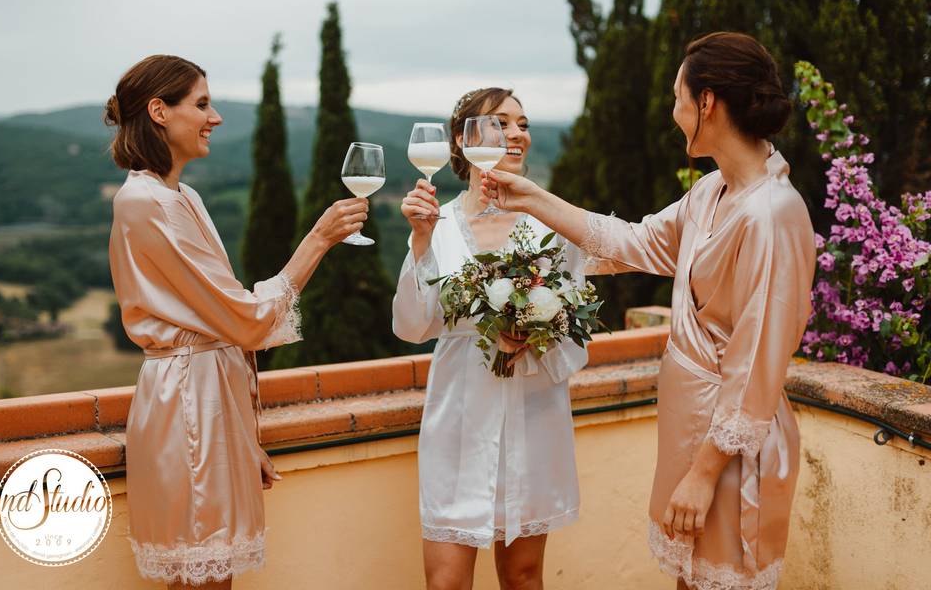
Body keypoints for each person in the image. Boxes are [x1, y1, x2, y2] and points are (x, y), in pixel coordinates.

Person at [481, 32, 816, 590]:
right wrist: (530, 198)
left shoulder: (773, 214)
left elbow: (758, 362)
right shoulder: (712, 191)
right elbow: (634, 242)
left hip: (730, 447)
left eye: (677, 97)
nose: (673, 112)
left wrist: (706, 474)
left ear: (706, 103)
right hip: (689, 428)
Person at [106, 55, 368, 589]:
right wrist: (317, 239)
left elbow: (224, 322)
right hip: (186, 410)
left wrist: (245, 441)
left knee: (216, 579)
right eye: (201, 104)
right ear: (159, 111)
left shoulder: (184, 197)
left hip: (210, 408)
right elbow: (245, 321)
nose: (215, 116)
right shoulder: (144, 202)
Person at [393, 88, 589, 590]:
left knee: (524, 577)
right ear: (466, 139)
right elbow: (413, 326)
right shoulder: (438, 224)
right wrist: (419, 242)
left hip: (534, 413)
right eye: (501, 122)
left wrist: (535, 335)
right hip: (460, 417)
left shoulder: (552, 223)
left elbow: (576, 332)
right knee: (447, 582)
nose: (518, 132)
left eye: (523, 123)